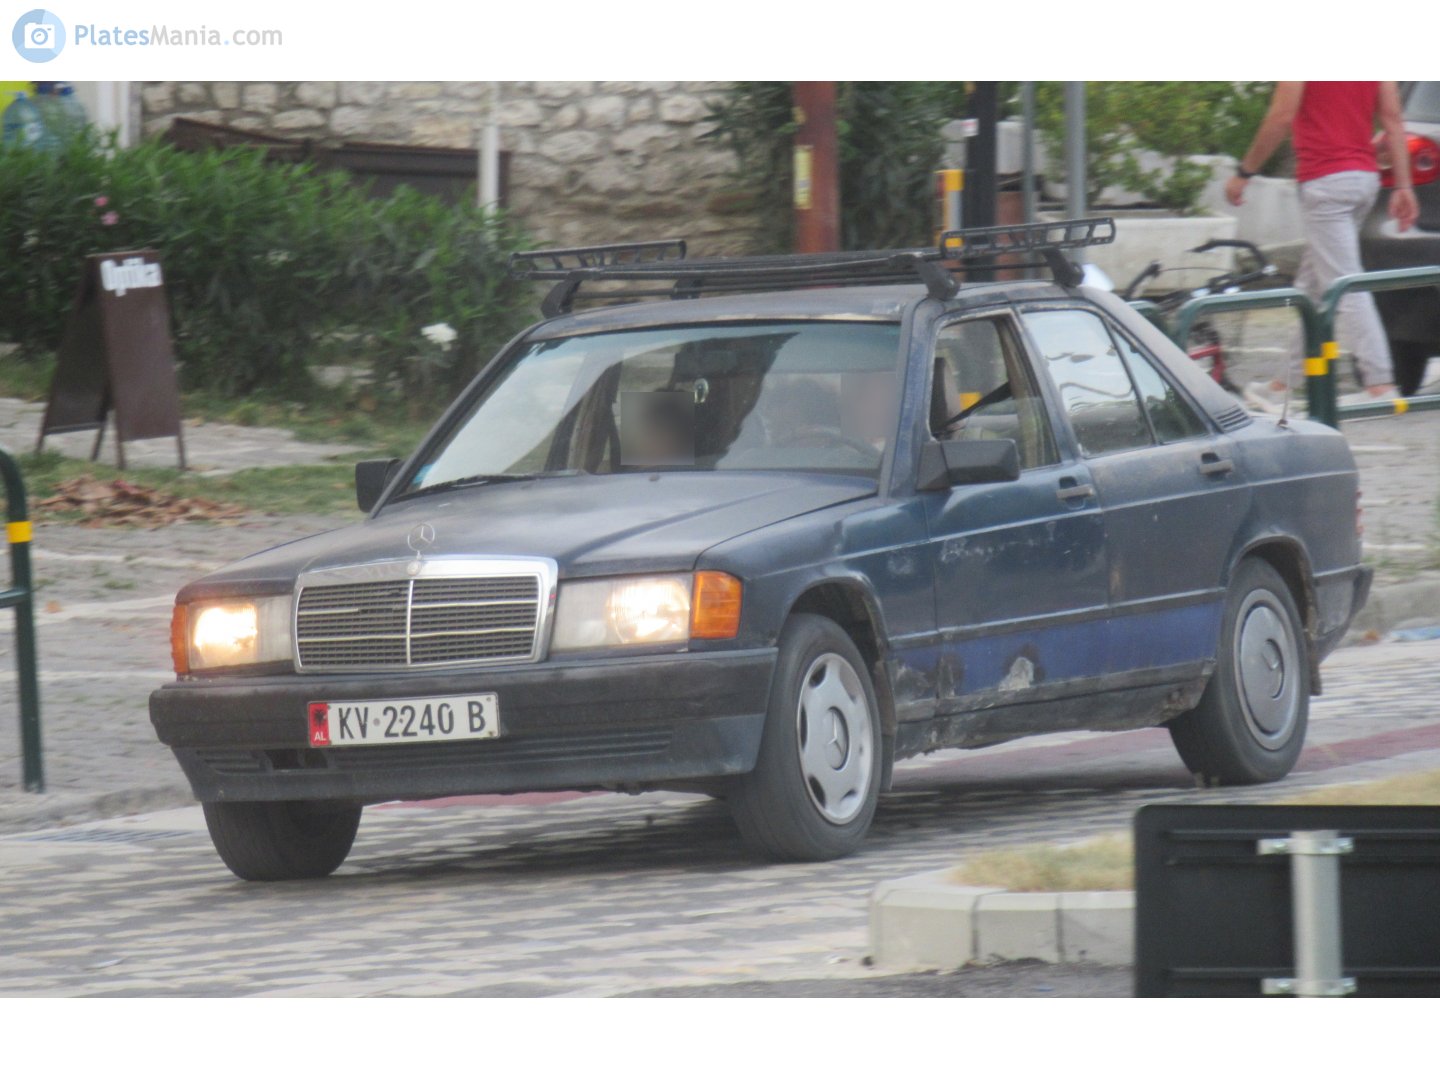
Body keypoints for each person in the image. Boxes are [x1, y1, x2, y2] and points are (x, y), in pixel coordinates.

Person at [1225, 81, 1419, 410]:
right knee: (1314, 287)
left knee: (1345, 284)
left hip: (1326, 182)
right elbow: (1392, 117)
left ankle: (1379, 383)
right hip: (1364, 179)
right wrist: (1404, 185)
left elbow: (1281, 116)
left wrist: (1245, 172)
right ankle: (1281, 385)